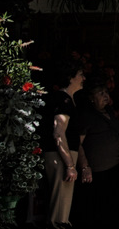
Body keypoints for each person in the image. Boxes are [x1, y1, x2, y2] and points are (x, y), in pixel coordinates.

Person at [72, 80, 119, 225]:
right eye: (101, 93)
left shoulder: (108, 111)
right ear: (91, 98)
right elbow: (78, 143)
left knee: (111, 207)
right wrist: (85, 167)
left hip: (113, 167)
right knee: (95, 209)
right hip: (95, 172)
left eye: (106, 92)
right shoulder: (86, 116)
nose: (105, 96)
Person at [39, 60, 85, 227]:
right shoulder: (62, 99)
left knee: (63, 204)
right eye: (80, 75)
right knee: (60, 207)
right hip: (61, 156)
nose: (83, 78)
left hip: (65, 155)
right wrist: (69, 165)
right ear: (70, 78)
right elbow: (58, 132)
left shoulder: (69, 99)